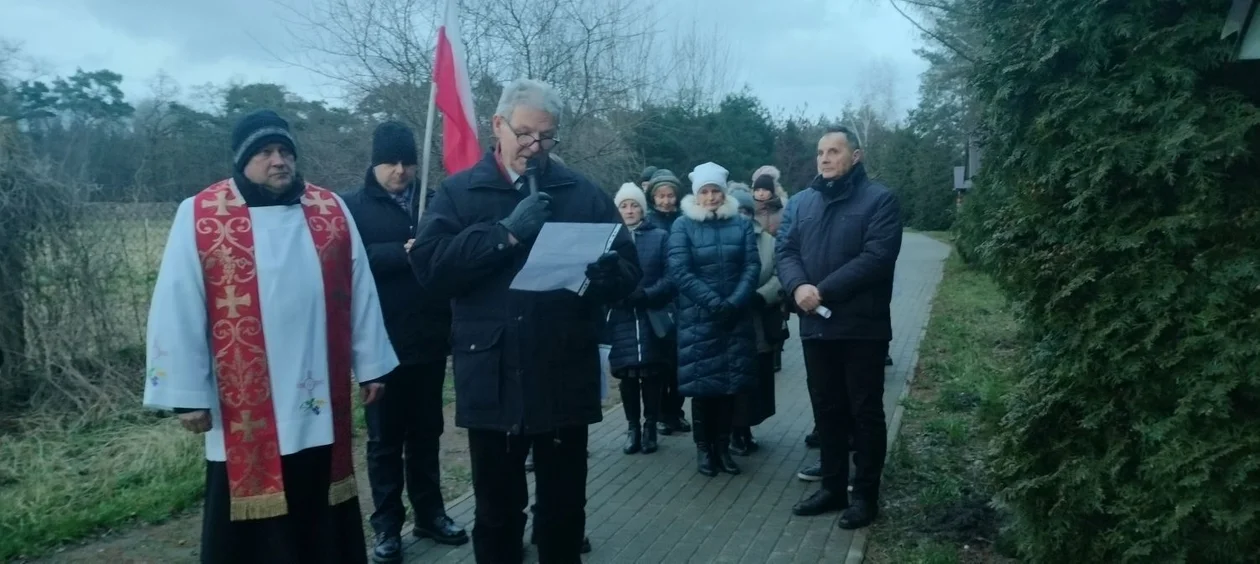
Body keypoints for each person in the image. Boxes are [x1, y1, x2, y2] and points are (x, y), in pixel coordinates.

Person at [142, 109, 398, 564]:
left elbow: (359, 289)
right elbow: (177, 301)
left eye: (285, 151)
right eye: (264, 152)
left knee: (319, 491)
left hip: (316, 384)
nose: (278, 161)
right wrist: (186, 393)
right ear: (242, 160)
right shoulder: (202, 214)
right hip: (241, 401)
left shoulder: (329, 210)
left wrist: (371, 364)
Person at [408, 78, 641, 564]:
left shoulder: (580, 191)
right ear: (498, 125)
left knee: (562, 512)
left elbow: (629, 270)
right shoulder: (459, 192)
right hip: (492, 375)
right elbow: (430, 269)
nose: (536, 149)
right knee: (496, 513)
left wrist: (608, 277)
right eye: (526, 135)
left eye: (548, 138)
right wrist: (505, 235)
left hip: (562, 374)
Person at [340, 121, 468, 562]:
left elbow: (447, 254)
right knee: (384, 442)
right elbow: (348, 262)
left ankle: (430, 514)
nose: (400, 171)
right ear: (374, 163)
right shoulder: (351, 207)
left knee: (427, 434)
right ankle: (387, 528)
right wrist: (403, 251)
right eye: (391, 162)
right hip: (380, 343)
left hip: (429, 339)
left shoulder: (431, 203)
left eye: (407, 163)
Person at [778, 125, 903, 529]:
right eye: (820, 152)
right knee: (826, 409)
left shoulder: (880, 200)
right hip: (816, 327)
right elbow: (786, 250)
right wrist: (797, 286)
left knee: (864, 413)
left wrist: (822, 291)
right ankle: (832, 487)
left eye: (834, 151)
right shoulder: (801, 203)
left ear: (856, 156)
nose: (825, 158)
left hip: (861, 328)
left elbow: (877, 257)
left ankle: (865, 495)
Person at [667, 161, 760, 477]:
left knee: (730, 388)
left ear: (723, 192)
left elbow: (751, 266)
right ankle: (704, 449)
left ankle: (723, 447)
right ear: (697, 195)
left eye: (715, 191)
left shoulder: (742, 224)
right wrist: (713, 303)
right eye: (704, 191)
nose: (710, 197)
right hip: (699, 319)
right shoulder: (683, 226)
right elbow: (680, 270)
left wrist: (734, 302)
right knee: (704, 389)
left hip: (734, 317)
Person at [607, 182, 675, 455]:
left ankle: (650, 426)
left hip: (651, 315)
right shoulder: (610, 238)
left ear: (643, 209)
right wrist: (614, 294)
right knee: (626, 375)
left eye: (634, 205)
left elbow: (671, 276)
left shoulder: (659, 237)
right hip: (621, 316)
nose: (630, 210)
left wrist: (647, 295)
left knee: (651, 374)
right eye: (624, 205)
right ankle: (632, 427)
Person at [727, 186, 783, 456]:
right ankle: (733, 431)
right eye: (737, 210)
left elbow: (780, 274)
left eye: (746, 211)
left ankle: (747, 428)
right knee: (733, 376)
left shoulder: (768, 241)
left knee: (756, 377)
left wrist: (761, 296)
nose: (742, 216)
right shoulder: (723, 238)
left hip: (759, 320)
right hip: (729, 321)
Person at [642, 168, 691, 436]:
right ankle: (660, 413)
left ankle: (676, 411)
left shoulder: (685, 221)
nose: (666, 201)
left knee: (680, 364)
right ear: (653, 197)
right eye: (661, 195)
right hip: (658, 302)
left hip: (684, 300)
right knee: (660, 364)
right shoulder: (648, 223)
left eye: (670, 195)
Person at [749, 165, 788, 236]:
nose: (761, 194)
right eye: (757, 190)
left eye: (765, 190)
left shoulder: (784, 206)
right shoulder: (748, 208)